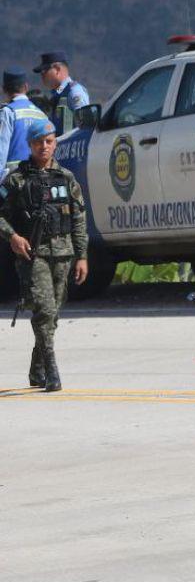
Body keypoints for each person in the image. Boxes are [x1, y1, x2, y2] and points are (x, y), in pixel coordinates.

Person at [0, 118, 89, 391]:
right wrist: (13, 237)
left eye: (49, 142)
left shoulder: (66, 178)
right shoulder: (16, 179)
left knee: (54, 315)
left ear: (55, 144)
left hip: (63, 253)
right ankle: (51, 370)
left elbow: (78, 218)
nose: (44, 147)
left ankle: (36, 369)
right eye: (39, 142)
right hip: (33, 254)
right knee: (44, 309)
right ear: (30, 145)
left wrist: (82, 255)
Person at [0, 68, 51, 171]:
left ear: (4, 89)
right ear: (26, 87)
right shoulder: (41, 115)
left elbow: (1, 149)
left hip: (13, 179)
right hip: (38, 178)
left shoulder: (8, 112)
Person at [34, 51, 89, 134]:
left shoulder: (74, 92)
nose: (42, 75)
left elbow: (85, 126)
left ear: (57, 69)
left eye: (44, 71)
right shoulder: (57, 94)